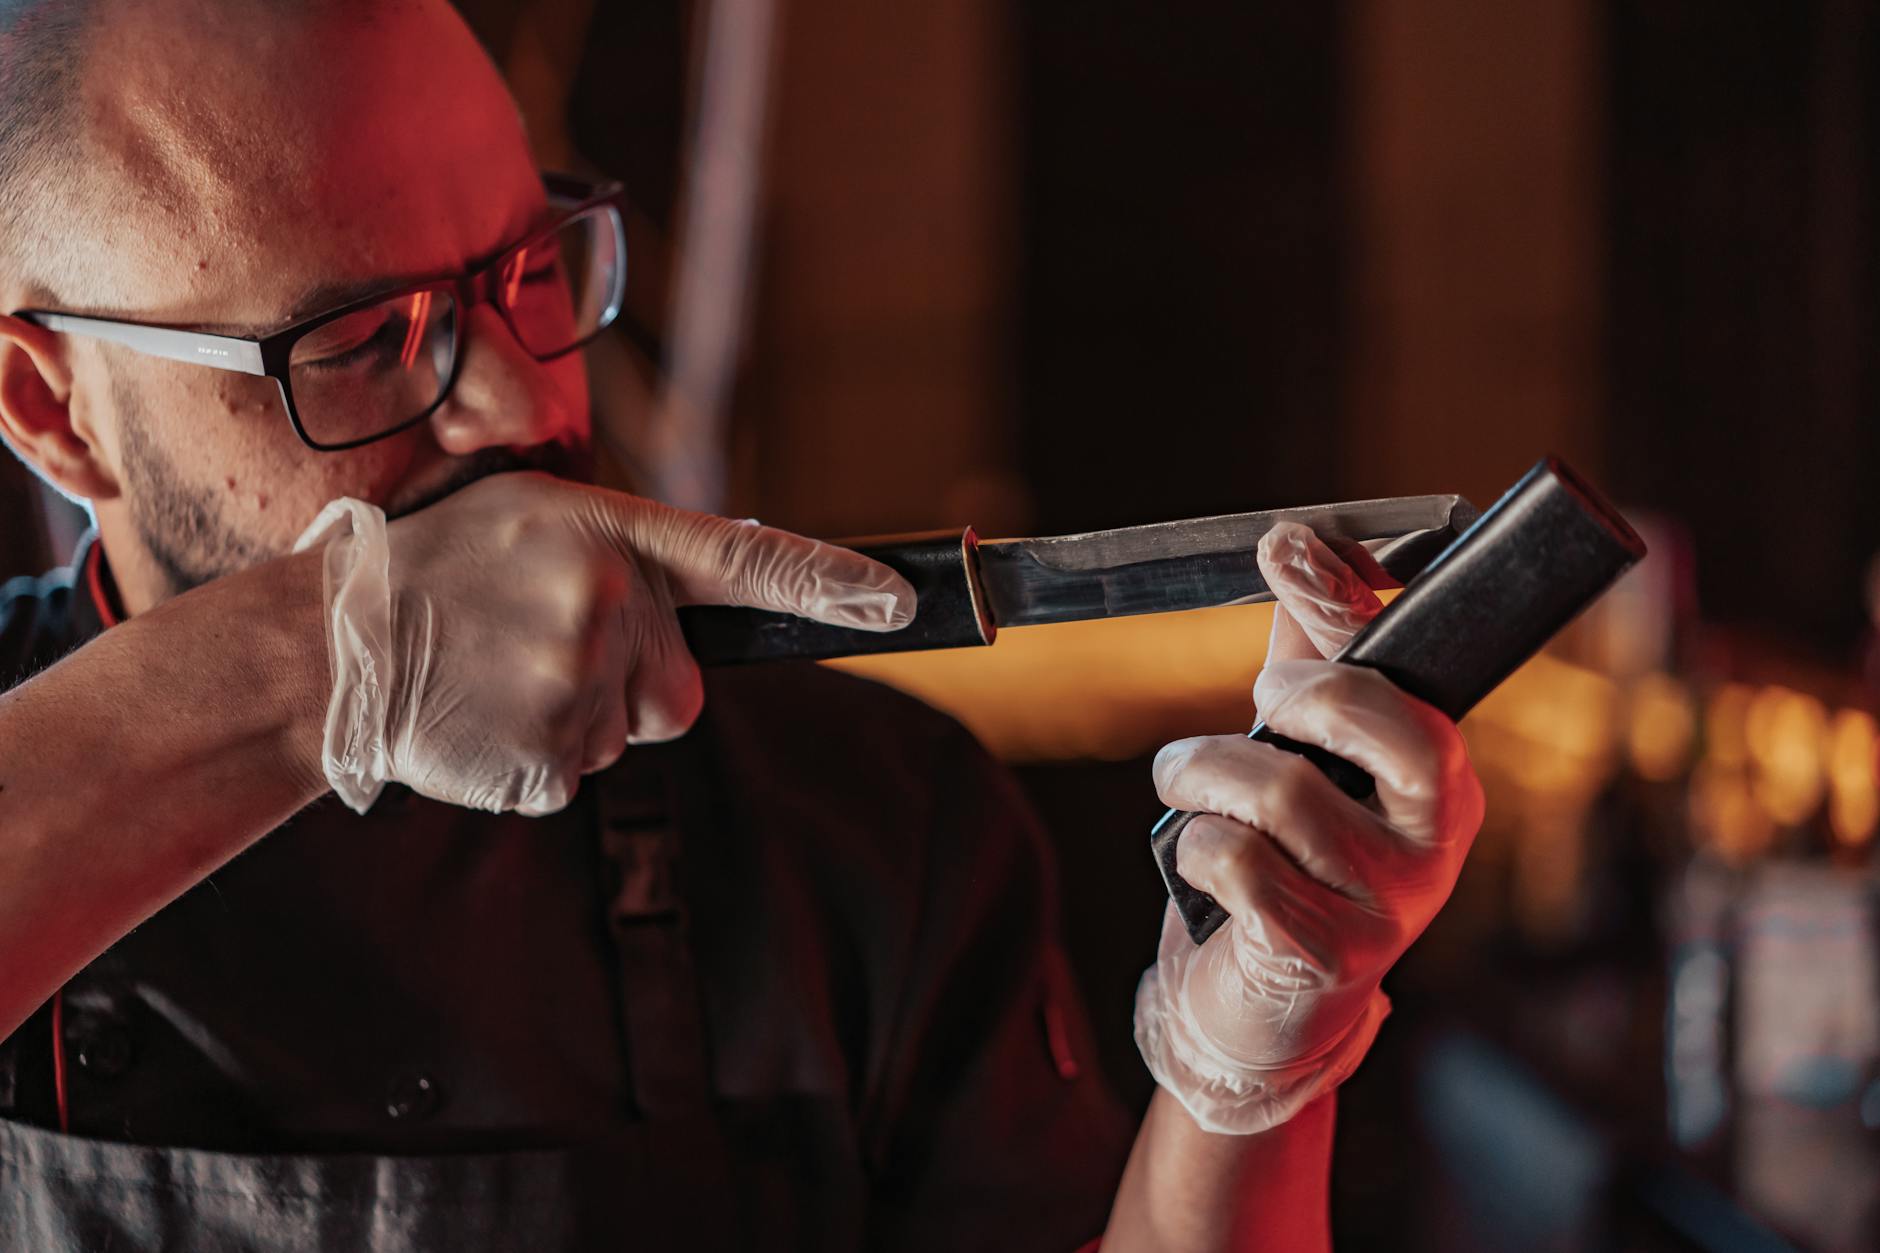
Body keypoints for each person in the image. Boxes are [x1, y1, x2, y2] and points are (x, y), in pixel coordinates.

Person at [0, 1, 1485, 1248]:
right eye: (360, 347)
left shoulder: (867, 829)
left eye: (529, 272)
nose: (526, 400)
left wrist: (1246, 1083)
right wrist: (323, 662)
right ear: (52, 408)